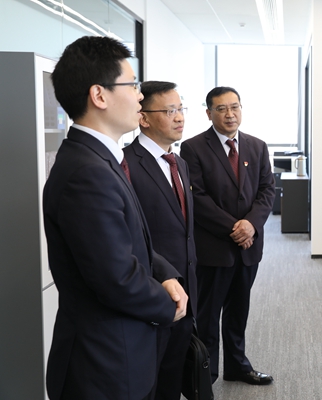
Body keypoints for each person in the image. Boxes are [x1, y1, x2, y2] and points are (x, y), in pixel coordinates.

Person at [43, 36, 188, 399]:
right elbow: (116, 279)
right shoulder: (87, 173)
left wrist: (164, 274)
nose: (140, 97)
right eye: (133, 85)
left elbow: (127, 240)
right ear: (99, 95)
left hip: (118, 353)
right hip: (105, 364)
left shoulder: (100, 158)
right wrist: (168, 306)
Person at [180, 86, 275, 385]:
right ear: (209, 113)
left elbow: (267, 190)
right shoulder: (193, 148)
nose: (230, 114)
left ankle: (237, 366)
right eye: (221, 109)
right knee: (208, 316)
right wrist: (236, 228)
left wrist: (251, 225)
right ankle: (205, 376)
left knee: (238, 312)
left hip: (248, 248)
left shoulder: (257, 146)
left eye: (235, 107)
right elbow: (197, 197)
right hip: (215, 247)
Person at [123, 81, 197, 400]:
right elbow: (129, 236)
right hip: (152, 292)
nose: (179, 117)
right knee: (147, 381)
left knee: (172, 376)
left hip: (185, 290)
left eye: (181, 109)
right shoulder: (126, 164)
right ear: (143, 118)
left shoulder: (179, 163)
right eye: (169, 111)